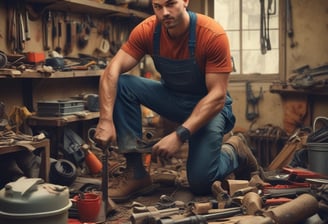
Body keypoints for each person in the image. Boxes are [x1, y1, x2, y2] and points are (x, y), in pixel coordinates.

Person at [95, 0, 259, 202]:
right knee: (122, 83)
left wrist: (179, 135)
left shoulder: (211, 34)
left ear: (185, 1)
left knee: (200, 182)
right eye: (157, 6)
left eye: (171, 4)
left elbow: (217, 96)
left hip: (210, 108)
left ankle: (235, 152)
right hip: (173, 99)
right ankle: (137, 174)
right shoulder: (147, 30)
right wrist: (105, 119)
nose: (164, 12)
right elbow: (112, 69)